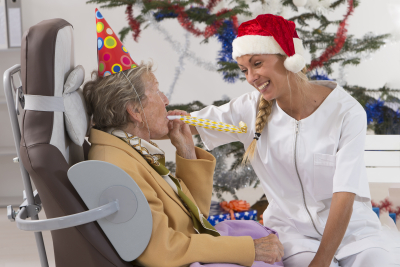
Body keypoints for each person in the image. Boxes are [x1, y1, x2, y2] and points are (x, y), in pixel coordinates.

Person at [185, 14, 400, 267]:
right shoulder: (248, 110)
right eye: (245, 70)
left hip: (356, 234)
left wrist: (321, 262)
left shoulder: (346, 111)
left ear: (289, 58)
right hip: (295, 238)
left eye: (257, 63)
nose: (251, 77)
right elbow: (188, 124)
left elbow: (344, 194)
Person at [82, 9, 285, 267]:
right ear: (135, 111)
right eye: (157, 91)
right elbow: (161, 250)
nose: (166, 100)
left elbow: (193, 219)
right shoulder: (117, 166)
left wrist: (187, 153)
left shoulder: (130, 149)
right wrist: (248, 249)